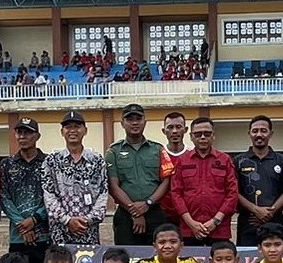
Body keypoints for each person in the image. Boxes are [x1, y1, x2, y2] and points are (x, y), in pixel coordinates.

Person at [163, 117, 238, 246]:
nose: (203, 137)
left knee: (221, 259)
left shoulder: (225, 160)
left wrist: (215, 221)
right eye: (198, 134)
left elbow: (232, 193)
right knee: (189, 259)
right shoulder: (182, 161)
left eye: (207, 134)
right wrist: (191, 223)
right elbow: (176, 193)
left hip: (219, 230)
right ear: (191, 136)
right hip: (189, 230)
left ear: (213, 136)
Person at [107, 104, 170, 246]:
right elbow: (113, 186)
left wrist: (148, 203)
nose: (134, 123)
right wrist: (134, 211)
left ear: (145, 122)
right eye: (130, 119)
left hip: (154, 212)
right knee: (126, 256)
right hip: (125, 215)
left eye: (138, 119)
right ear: (122, 123)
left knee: (157, 255)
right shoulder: (113, 152)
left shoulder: (158, 149)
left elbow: (166, 181)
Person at [42, 111, 108, 246]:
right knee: (59, 260)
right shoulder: (51, 161)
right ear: (62, 132)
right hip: (60, 232)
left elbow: (103, 193)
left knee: (89, 260)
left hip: (88, 230)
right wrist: (67, 220)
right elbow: (48, 195)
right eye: (68, 127)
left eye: (77, 127)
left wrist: (88, 220)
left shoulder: (97, 161)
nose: (72, 131)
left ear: (85, 131)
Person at [0, 117, 50, 263]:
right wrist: (22, 225)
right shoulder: (7, 164)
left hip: (43, 235)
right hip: (18, 236)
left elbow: (52, 196)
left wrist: (35, 219)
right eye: (19, 132)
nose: (22, 136)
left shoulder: (49, 163)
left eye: (27, 133)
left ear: (37, 136)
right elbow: (4, 197)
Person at [234, 116, 283, 246]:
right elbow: (233, 191)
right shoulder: (238, 161)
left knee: (274, 256)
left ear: (271, 134)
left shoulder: (282, 161)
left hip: (276, 221)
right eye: (255, 131)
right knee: (248, 258)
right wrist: (255, 209)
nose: (259, 134)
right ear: (249, 133)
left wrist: (270, 212)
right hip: (248, 222)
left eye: (263, 130)